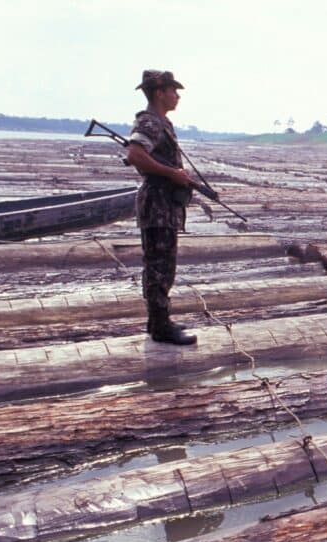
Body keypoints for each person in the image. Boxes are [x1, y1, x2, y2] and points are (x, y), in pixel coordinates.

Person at [127, 69, 198, 346]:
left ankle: (157, 320)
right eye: (172, 90)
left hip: (164, 205)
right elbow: (134, 154)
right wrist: (171, 174)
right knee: (160, 267)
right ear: (159, 93)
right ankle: (161, 327)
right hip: (157, 205)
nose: (177, 96)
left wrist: (178, 176)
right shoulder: (150, 122)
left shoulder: (162, 123)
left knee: (161, 266)